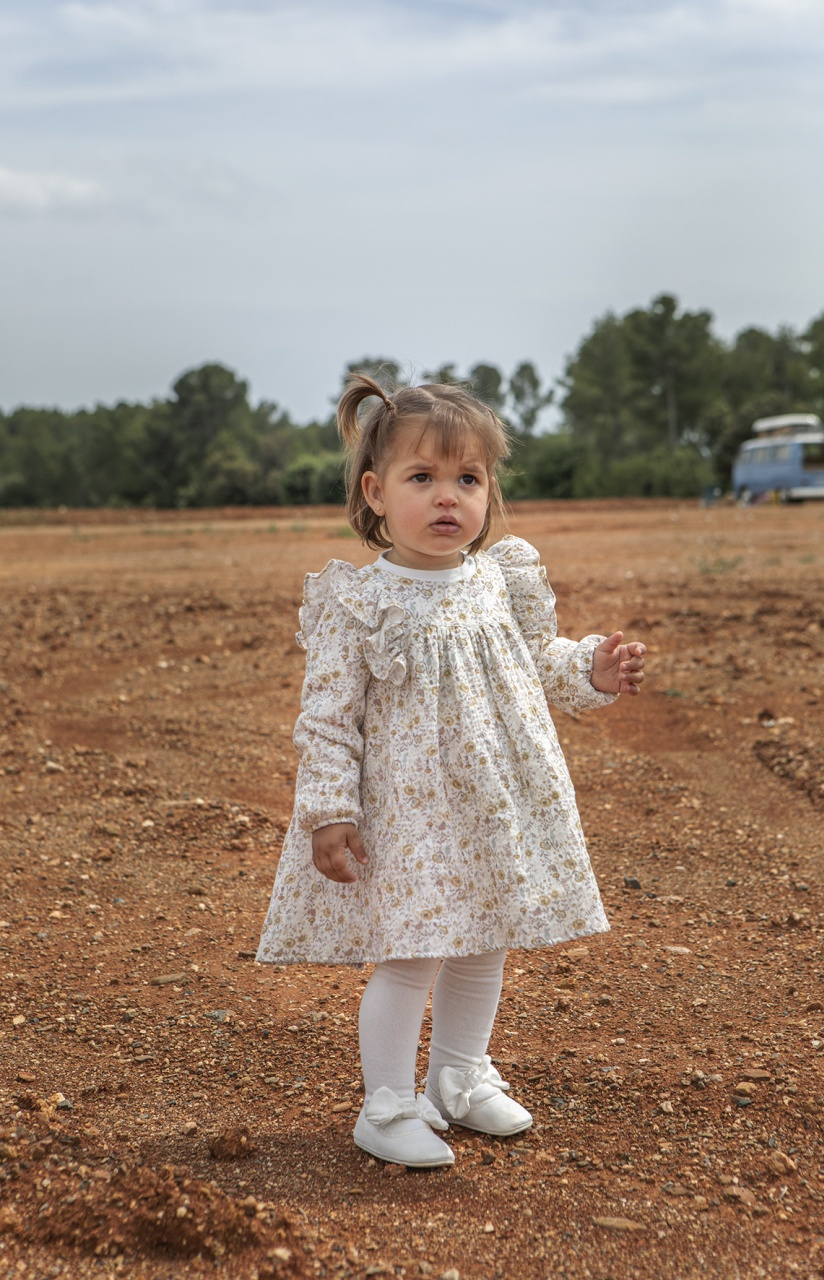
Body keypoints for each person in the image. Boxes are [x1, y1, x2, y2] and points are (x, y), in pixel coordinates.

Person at [256, 375, 646, 1168]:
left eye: (467, 478)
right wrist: (329, 812)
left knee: (484, 941)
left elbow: (536, 660)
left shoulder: (500, 579)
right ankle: (386, 1106)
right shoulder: (359, 603)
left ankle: (459, 1078)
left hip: (492, 805)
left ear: (488, 489)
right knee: (412, 953)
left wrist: (591, 670)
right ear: (375, 492)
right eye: (421, 477)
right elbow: (327, 719)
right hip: (410, 817)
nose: (447, 497)